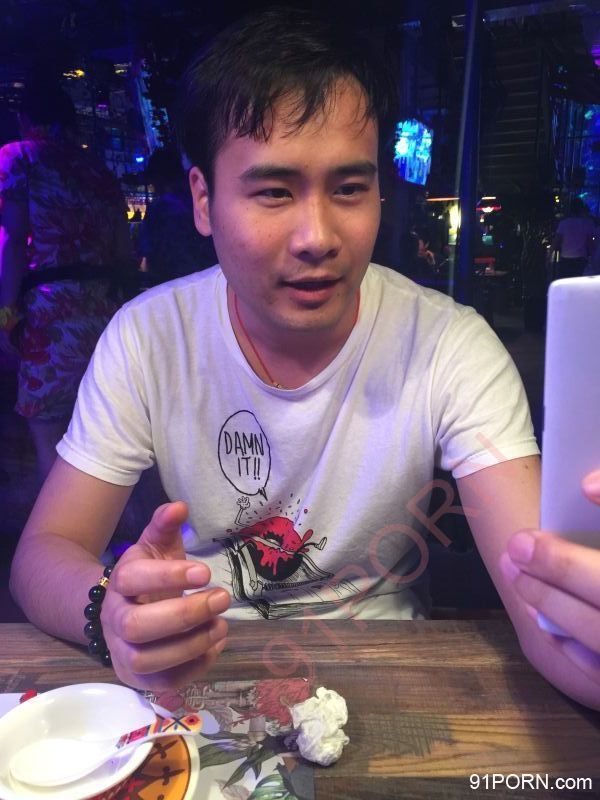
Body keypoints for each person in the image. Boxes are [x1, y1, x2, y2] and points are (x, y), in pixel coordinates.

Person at [9, 8, 600, 709]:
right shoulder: (150, 338)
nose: (317, 236)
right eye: (274, 191)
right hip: (199, 666)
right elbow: (44, 552)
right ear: (204, 200)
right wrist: (109, 609)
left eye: (349, 188)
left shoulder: (449, 345)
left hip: (388, 673)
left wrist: (580, 610)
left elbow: (546, 613)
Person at [0, 80, 134, 481]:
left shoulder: (19, 157)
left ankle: (61, 519)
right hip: (106, 314)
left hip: (52, 315)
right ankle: (125, 520)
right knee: (105, 433)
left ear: (24, 119)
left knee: (48, 430)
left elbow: (14, 241)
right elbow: (123, 251)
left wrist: (6, 315)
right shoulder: (98, 169)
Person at [138, 146, 217, 285]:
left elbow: (147, 253)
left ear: (157, 178)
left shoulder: (159, 209)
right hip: (209, 278)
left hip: (171, 283)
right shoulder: (199, 202)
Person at [552, 197, 597, 280]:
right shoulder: (587, 223)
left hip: (565, 258)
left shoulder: (564, 223)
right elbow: (590, 243)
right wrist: (593, 259)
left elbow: (556, 241)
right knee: (577, 282)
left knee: (565, 282)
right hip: (581, 258)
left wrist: (549, 255)